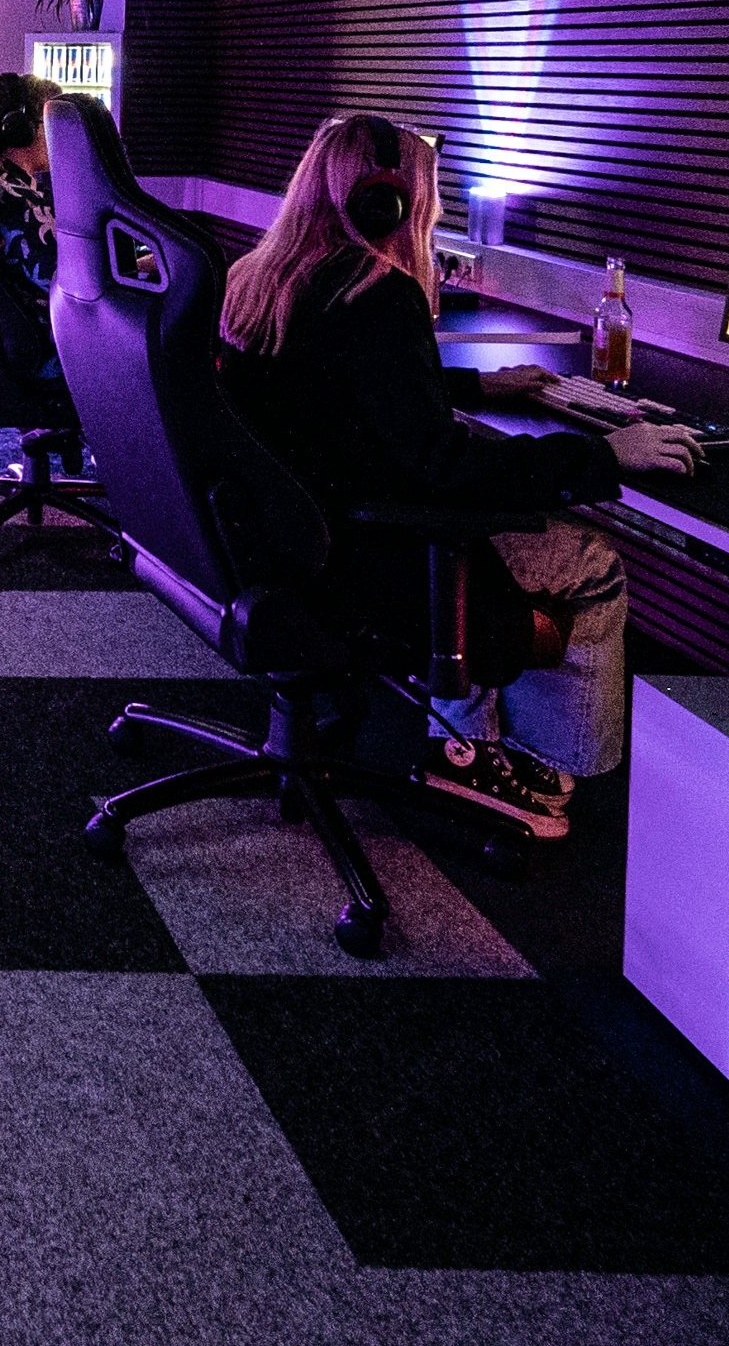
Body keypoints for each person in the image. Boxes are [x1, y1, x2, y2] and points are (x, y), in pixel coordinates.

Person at [214, 112, 695, 835]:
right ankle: (523, 763)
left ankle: (472, 737)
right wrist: (605, 455)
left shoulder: (258, 280)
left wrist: (472, 386)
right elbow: (443, 466)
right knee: (594, 565)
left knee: (506, 523)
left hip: (284, 544)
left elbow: (336, 390)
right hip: (375, 560)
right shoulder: (378, 293)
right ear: (387, 204)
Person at [0, 71, 57, 302]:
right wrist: (135, 267)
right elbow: (63, 285)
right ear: (21, 130)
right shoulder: (18, 199)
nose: (59, 134)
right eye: (52, 123)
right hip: (50, 319)